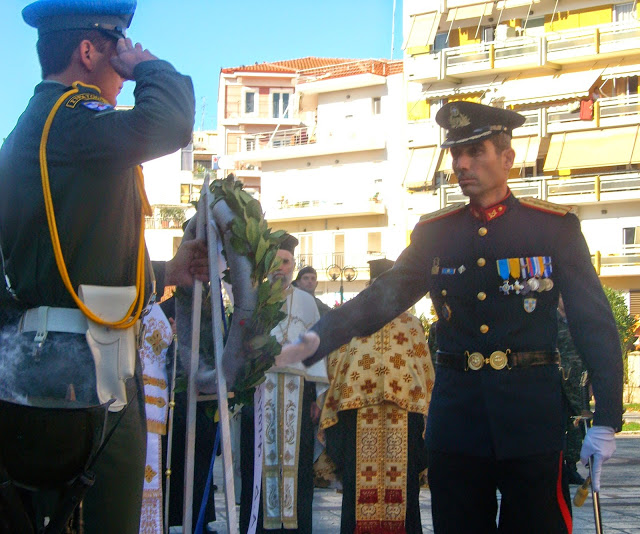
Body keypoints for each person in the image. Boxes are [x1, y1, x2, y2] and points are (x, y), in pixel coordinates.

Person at [278, 101, 624, 533]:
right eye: (455, 154)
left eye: (476, 151)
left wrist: (607, 417)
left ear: (508, 158)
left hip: (530, 418)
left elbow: (594, 323)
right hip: (457, 418)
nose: (461, 163)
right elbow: (382, 298)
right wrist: (311, 342)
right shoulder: (435, 232)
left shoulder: (552, 228)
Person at [0, 1, 201, 532]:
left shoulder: (33, 129)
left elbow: (80, 264)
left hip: (45, 364)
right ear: (88, 52)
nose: (125, 62)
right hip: (87, 375)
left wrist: (169, 274)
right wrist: (151, 68)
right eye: (119, 47)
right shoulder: (72, 121)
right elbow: (173, 122)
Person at [320, 258, 434, 533]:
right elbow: (426, 374)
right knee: (363, 481)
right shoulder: (410, 324)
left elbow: (336, 365)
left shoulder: (406, 324)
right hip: (370, 413)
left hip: (391, 414)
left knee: (400, 484)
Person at [239, 234, 329, 533]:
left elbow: (316, 347)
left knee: (299, 463)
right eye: (275, 262)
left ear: (294, 265)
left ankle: (295, 527)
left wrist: (318, 396)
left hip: (299, 393)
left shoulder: (306, 302)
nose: (280, 268)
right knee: (257, 460)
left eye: (286, 262)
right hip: (260, 390)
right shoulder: (252, 299)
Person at [557, 295, 586, 486]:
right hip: (557, 380)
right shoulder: (550, 319)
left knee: (576, 424)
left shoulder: (580, 319)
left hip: (578, 380)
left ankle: (572, 466)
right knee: (557, 426)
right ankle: (558, 468)